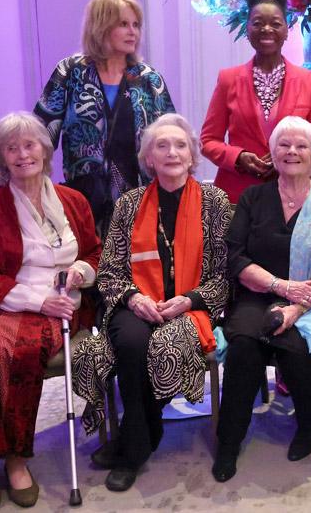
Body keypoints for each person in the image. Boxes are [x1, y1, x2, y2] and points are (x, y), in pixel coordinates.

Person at [72, 113, 231, 492]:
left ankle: (132, 447)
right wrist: (133, 297)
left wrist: (188, 300)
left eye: (180, 146)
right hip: (136, 303)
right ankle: (148, 431)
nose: (172, 153)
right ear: (149, 159)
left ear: (192, 157)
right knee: (128, 342)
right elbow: (109, 269)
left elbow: (226, 273)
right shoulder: (129, 204)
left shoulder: (215, 201)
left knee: (164, 346)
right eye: (162, 146)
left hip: (190, 308)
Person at [0, 112, 101, 512]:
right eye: (11, 148)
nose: (22, 155)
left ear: (44, 149)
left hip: (64, 305)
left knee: (13, 354)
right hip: (10, 300)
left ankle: (17, 457)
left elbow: (93, 252)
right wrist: (38, 301)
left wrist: (81, 271)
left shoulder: (73, 200)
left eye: (29, 145)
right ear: (1, 158)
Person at [212, 116, 311, 481]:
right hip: (259, 293)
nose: (292, 152)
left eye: (301, 145)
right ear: (272, 153)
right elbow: (236, 256)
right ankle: (228, 443)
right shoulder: (253, 198)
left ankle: (306, 426)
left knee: (297, 344)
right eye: (284, 145)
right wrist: (281, 288)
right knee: (244, 344)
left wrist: (299, 303)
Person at [34, 0, 175, 237]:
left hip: (139, 201)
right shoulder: (70, 72)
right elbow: (39, 135)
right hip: (83, 201)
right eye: (123, 24)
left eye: (136, 25)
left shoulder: (148, 79)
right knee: (86, 270)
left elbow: (172, 138)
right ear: (101, 26)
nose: (133, 32)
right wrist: (36, 188)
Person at [201, 0, 311, 204]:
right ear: (248, 28)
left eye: (275, 23)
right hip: (236, 195)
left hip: (292, 195)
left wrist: (290, 160)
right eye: (258, 23)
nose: (266, 29)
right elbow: (209, 141)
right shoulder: (228, 79)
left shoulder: (310, 80)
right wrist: (238, 157)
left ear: (287, 29)